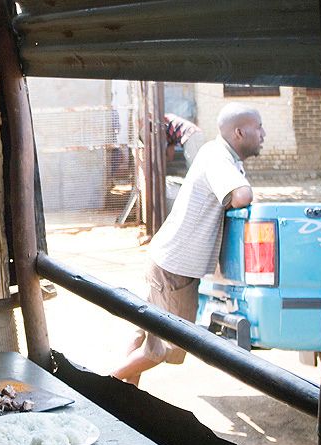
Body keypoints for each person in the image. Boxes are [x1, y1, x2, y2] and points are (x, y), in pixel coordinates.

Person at [112, 103, 265, 386]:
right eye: (259, 127)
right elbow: (242, 195)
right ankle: (104, 385)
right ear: (240, 132)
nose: (263, 133)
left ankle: (122, 399)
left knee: (145, 335)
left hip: (166, 258)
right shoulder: (219, 158)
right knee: (165, 347)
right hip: (175, 269)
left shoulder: (218, 154)